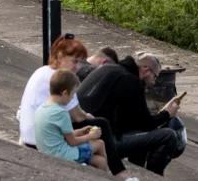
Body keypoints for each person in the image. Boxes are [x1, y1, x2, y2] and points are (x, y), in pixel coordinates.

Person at [19, 35, 129, 177]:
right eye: (74, 61)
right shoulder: (62, 79)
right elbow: (78, 116)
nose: (77, 67)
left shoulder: (43, 71)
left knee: (97, 156)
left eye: (80, 62)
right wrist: (89, 122)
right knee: (101, 124)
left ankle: (106, 172)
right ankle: (120, 173)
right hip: (42, 140)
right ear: (59, 56)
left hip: (30, 135)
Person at [77, 52, 185, 175]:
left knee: (140, 134)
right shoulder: (130, 81)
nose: (154, 82)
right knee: (168, 135)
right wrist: (167, 114)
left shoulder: (109, 69)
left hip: (81, 133)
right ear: (145, 70)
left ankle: (138, 170)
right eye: (155, 76)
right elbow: (146, 124)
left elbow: (132, 120)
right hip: (104, 142)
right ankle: (153, 176)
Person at [34, 69, 108, 172]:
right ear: (64, 93)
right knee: (100, 143)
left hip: (48, 151)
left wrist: (81, 131)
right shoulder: (61, 113)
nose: (72, 98)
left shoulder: (42, 107)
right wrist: (91, 136)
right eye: (72, 95)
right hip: (64, 155)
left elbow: (62, 136)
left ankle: (104, 176)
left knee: (100, 161)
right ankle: (108, 176)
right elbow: (72, 141)